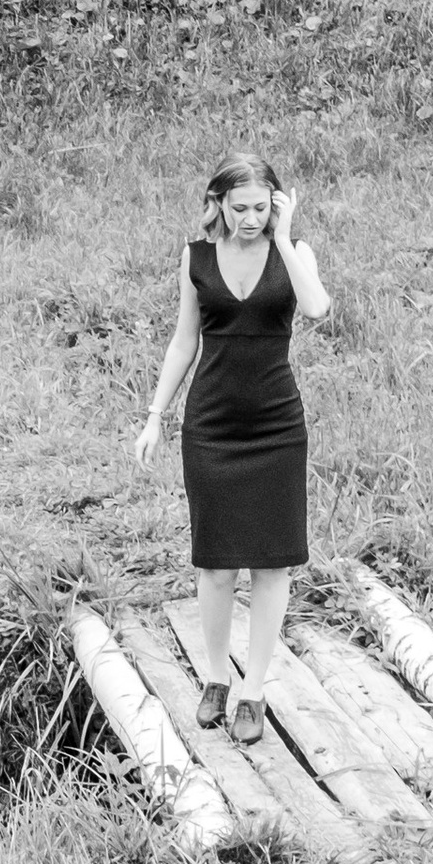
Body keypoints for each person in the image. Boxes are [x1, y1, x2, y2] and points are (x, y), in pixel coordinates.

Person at [133, 149, 332, 744]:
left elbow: (318, 309)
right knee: (216, 564)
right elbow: (182, 342)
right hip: (212, 424)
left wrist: (288, 237)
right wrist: (154, 416)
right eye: (239, 207)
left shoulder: (293, 254)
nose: (251, 218)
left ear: (277, 204)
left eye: (262, 207)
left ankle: (254, 690)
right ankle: (217, 678)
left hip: (276, 427)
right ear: (217, 203)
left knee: (272, 563)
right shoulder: (196, 258)